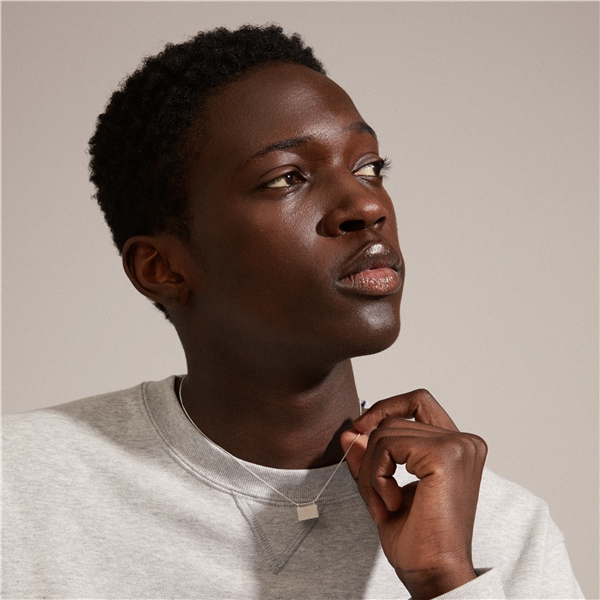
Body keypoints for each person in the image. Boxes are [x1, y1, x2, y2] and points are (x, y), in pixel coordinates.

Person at [2, 25, 582, 600]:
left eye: (369, 166)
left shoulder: (499, 531)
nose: (366, 206)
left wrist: (443, 579)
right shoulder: (21, 488)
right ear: (163, 268)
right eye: (287, 177)